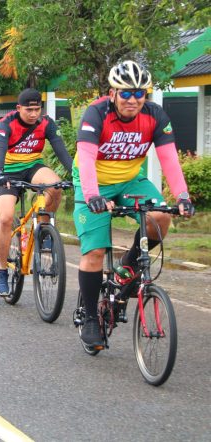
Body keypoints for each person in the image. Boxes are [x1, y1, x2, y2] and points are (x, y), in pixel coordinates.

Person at [74, 60, 193, 347]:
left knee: (161, 217)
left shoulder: (155, 116)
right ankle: (91, 317)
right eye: (125, 93)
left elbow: (169, 160)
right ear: (112, 92)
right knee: (95, 253)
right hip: (94, 183)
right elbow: (87, 158)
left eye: (139, 93)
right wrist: (92, 195)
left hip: (130, 179)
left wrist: (183, 197)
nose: (133, 99)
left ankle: (127, 268)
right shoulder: (96, 113)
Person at [0, 88, 73, 297]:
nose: (33, 114)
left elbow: (60, 150)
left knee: (55, 186)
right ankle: (2, 271)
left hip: (33, 168)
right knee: (6, 218)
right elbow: (0, 151)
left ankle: (44, 228)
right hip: (8, 173)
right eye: (29, 110)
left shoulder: (46, 123)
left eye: (37, 109)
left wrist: (77, 175)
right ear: (19, 108)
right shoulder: (6, 124)